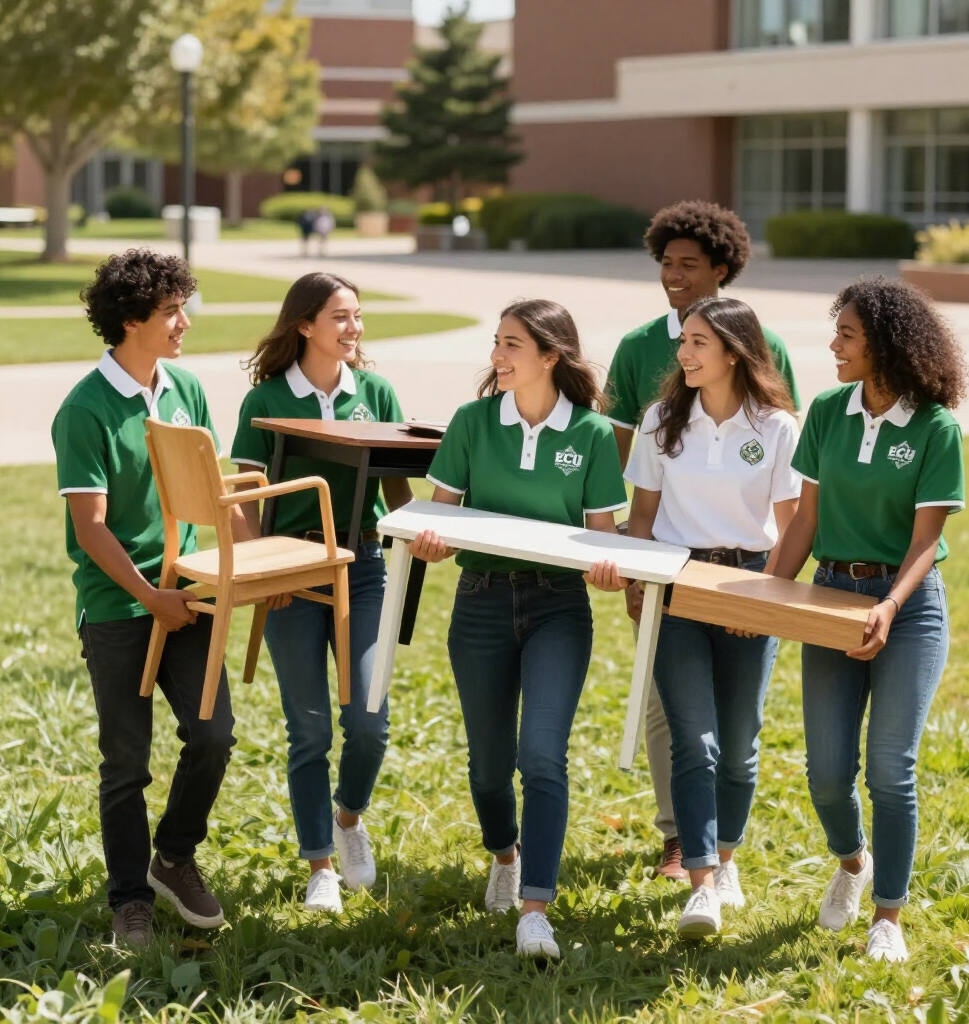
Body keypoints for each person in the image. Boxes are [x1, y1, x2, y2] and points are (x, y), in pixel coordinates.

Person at [408, 299, 628, 960]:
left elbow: (603, 537)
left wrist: (608, 570)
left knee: (542, 755)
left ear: (551, 356)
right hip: (479, 601)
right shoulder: (474, 423)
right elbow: (441, 516)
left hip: (559, 607)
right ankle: (504, 852)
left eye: (512, 345)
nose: (497, 357)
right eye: (497, 343)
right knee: (487, 767)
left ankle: (536, 908)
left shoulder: (591, 434)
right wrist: (431, 542)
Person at [772, 278, 969, 962]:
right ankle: (852, 863)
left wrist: (888, 606)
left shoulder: (936, 427)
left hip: (908, 609)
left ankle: (889, 916)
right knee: (826, 772)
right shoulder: (827, 411)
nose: (834, 346)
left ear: (884, 345)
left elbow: (925, 543)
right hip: (831, 594)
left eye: (847, 336)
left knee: (891, 769)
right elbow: (805, 520)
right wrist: (767, 595)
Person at [604, 199, 802, 882]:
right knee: (685, 728)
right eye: (667, 263)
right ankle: (689, 852)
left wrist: (769, 595)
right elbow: (638, 496)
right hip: (674, 575)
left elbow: (792, 506)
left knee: (737, 741)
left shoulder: (773, 417)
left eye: (690, 265)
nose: (673, 275)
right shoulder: (657, 398)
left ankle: (722, 852)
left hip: (748, 579)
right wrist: (635, 574)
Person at [51, 249, 240, 947]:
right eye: (171, 313)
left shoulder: (185, 390)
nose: (184, 323)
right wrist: (147, 596)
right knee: (126, 761)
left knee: (214, 735)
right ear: (130, 321)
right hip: (119, 607)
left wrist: (252, 567)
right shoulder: (85, 409)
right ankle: (129, 899)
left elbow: (215, 496)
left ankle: (173, 856)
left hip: (189, 599)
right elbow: (91, 527)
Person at [231, 272, 412, 914]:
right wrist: (265, 570)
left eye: (357, 316)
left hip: (362, 567)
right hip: (291, 571)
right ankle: (320, 868)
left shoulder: (379, 393)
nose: (353, 328)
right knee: (307, 729)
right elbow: (242, 501)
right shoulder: (266, 399)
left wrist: (427, 527)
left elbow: (399, 492)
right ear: (305, 324)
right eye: (340, 317)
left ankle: (348, 817)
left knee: (368, 721)